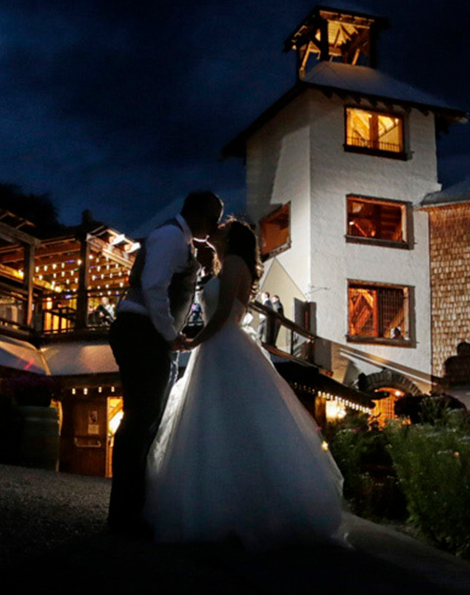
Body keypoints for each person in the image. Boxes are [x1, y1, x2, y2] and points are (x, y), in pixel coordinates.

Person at [144, 220, 346, 550]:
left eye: (221, 229)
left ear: (233, 238)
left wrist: (192, 342)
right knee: (214, 422)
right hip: (218, 347)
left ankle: (238, 510)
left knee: (228, 421)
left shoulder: (236, 264)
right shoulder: (225, 265)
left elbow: (223, 313)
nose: (216, 232)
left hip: (224, 345)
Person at [108, 190, 223, 537]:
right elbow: (154, 287)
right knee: (140, 422)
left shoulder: (178, 240)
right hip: (143, 332)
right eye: (214, 218)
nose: (215, 226)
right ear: (201, 216)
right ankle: (124, 516)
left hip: (146, 333)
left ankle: (130, 511)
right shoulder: (171, 237)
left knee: (145, 422)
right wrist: (169, 332)